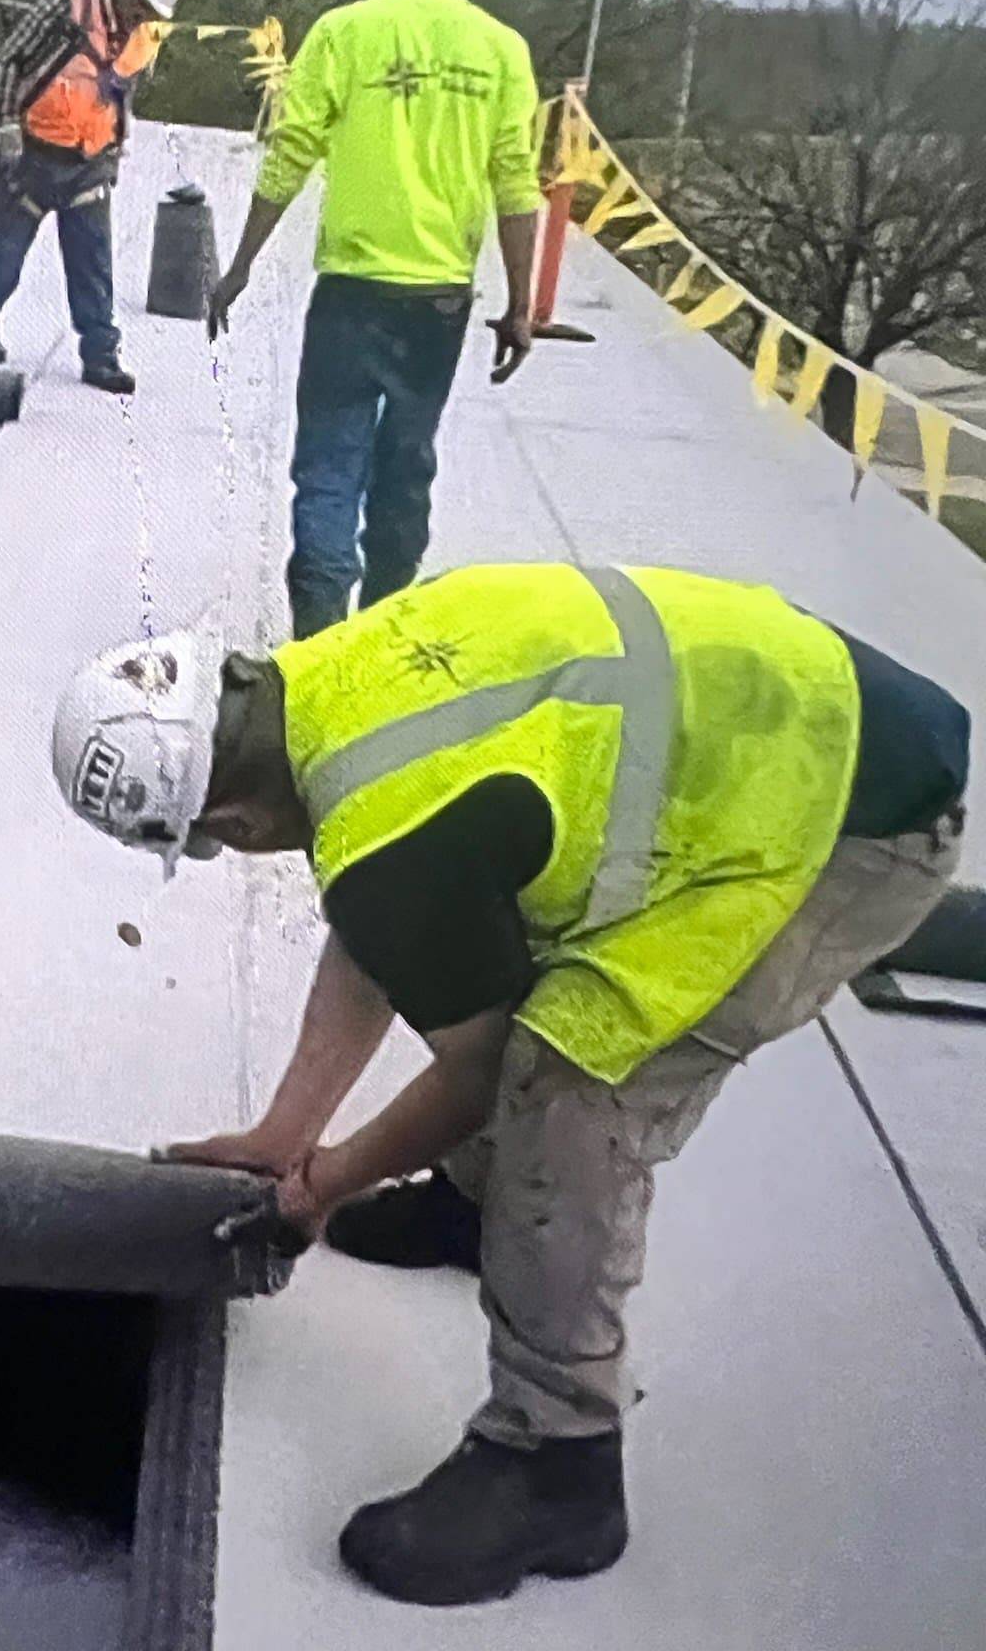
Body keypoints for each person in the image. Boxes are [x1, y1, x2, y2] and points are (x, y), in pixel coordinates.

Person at [52, 563, 970, 1608]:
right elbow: (385, 914)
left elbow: (479, 1067)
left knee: (571, 1076)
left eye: (215, 839)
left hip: (847, 823)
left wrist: (326, 1182)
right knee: (509, 949)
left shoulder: (384, 832)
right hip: (802, 721)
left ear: (229, 812)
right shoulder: (330, 688)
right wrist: (284, 1133)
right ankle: (483, 1205)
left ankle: (557, 1457)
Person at [207, 0, 543, 639]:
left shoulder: (345, 33)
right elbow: (517, 185)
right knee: (405, 469)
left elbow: (290, 153)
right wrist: (521, 308)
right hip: (440, 303)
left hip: (352, 295)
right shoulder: (501, 50)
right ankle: (383, 649)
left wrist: (241, 265)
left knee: (328, 467)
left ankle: (320, 654)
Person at [0, 0, 189, 395]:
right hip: (30, 155)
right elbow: (8, 59)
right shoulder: (64, 8)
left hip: (90, 163)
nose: (140, 15)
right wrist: (6, 124)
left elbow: (122, 92)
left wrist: (114, 148)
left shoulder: (145, 39)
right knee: (4, 255)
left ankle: (101, 357)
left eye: (151, 10)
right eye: (138, 2)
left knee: (93, 263)